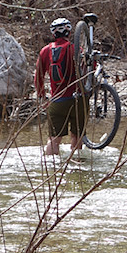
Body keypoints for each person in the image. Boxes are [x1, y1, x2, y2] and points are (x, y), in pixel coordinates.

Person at [34, 18, 90, 155]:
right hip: (79, 100)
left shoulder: (45, 51)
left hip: (58, 100)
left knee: (53, 140)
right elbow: (88, 72)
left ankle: (51, 172)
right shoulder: (76, 49)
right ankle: (77, 170)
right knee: (77, 137)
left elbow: (38, 78)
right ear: (70, 33)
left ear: (53, 34)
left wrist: (42, 95)